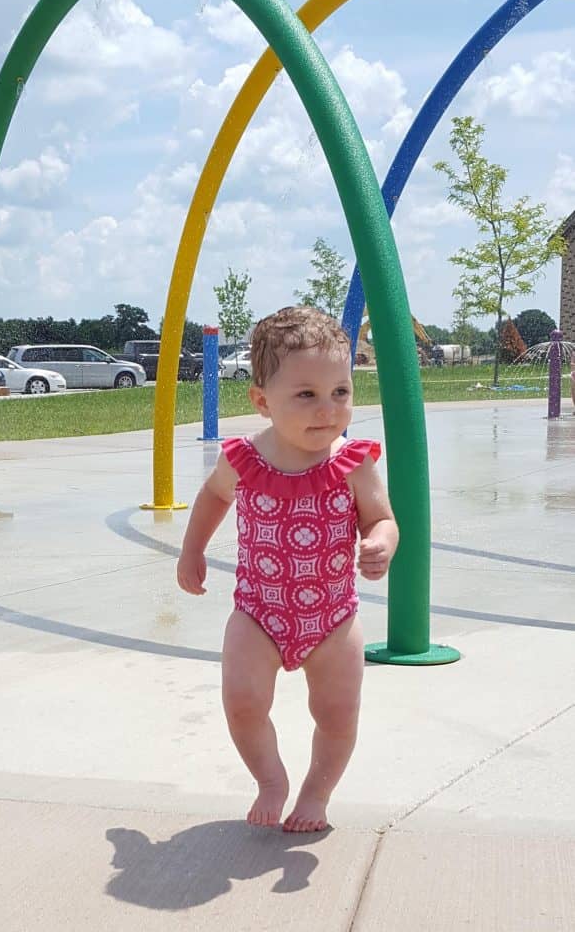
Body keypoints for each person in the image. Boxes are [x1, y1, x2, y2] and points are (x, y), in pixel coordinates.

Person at [177, 306, 399, 833]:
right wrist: (192, 550)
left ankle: (316, 794)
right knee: (243, 701)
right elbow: (211, 498)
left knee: (338, 713)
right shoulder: (243, 459)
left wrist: (379, 544)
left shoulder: (353, 462)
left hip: (333, 617)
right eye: (306, 394)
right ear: (262, 402)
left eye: (340, 392)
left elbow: (383, 518)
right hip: (258, 612)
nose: (328, 409)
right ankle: (270, 778)